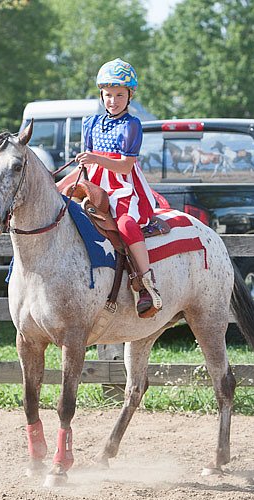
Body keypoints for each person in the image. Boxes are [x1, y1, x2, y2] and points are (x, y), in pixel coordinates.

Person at [56, 58, 162, 318]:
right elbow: (86, 163)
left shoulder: (131, 125)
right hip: (91, 179)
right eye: (107, 95)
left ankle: (146, 284)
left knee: (126, 224)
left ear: (129, 96)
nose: (112, 100)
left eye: (118, 95)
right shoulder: (90, 123)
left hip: (123, 186)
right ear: (101, 96)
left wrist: (95, 159)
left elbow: (125, 166)